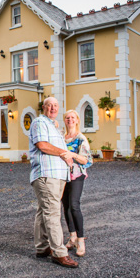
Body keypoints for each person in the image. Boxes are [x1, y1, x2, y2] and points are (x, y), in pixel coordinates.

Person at [29, 97, 78, 268]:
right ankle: (59, 252)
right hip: (46, 174)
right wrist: (65, 154)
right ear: (43, 108)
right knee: (52, 212)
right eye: (49, 105)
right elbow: (42, 145)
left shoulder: (54, 126)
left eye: (56, 105)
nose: (53, 108)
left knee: (44, 210)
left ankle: (42, 247)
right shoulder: (39, 122)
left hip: (57, 175)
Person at [59, 110, 91, 257]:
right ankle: (72, 237)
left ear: (77, 120)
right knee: (65, 206)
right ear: (64, 121)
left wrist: (72, 154)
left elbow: (86, 160)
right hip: (62, 175)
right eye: (67, 118)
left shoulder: (81, 138)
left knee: (74, 205)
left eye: (72, 117)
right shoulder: (62, 138)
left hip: (76, 174)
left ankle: (81, 240)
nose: (70, 120)